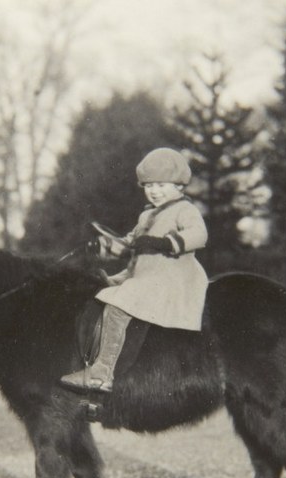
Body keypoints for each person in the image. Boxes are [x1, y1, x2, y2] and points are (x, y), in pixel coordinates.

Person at [60, 147, 208, 393]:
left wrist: (164, 242)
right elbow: (129, 243)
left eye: (161, 185)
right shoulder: (147, 215)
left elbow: (199, 235)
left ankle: (102, 372)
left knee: (117, 306)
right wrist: (106, 246)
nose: (154, 191)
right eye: (149, 186)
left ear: (179, 186)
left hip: (171, 278)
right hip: (142, 275)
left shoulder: (185, 210)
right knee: (98, 288)